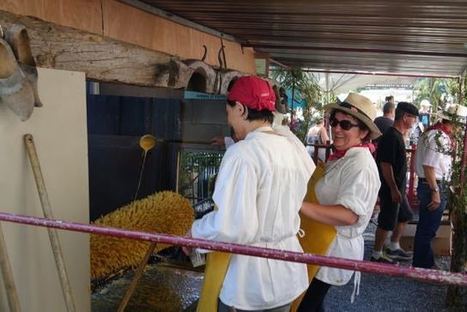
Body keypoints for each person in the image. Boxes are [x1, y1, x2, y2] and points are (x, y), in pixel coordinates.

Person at [185, 76, 315, 311]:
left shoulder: (242, 154)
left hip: (251, 281)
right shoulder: (292, 146)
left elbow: (233, 226)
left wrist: (194, 233)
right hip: (287, 271)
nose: (230, 121)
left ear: (241, 109)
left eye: (229, 113)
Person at [297, 92, 382, 311]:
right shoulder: (344, 157)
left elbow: (349, 215)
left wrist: (298, 206)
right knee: (311, 305)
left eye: (345, 125)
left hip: (332, 247)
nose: (336, 129)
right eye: (334, 121)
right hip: (318, 243)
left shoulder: (360, 164)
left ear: (363, 132)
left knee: (305, 305)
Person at [412, 104, 467, 268]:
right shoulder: (440, 137)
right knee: (428, 229)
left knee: (425, 227)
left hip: (430, 183)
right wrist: (435, 191)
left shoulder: (433, 133)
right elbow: (430, 166)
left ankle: (422, 263)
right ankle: (423, 266)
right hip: (433, 184)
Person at [371, 102, 419, 263]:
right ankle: (376, 254)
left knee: (405, 215)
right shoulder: (391, 137)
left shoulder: (398, 135)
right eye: (413, 118)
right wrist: (392, 188)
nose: (414, 122)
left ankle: (393, 247)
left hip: (397, 187)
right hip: (390, 187)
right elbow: (385, 165)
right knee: (386, 221)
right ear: (405, 117)